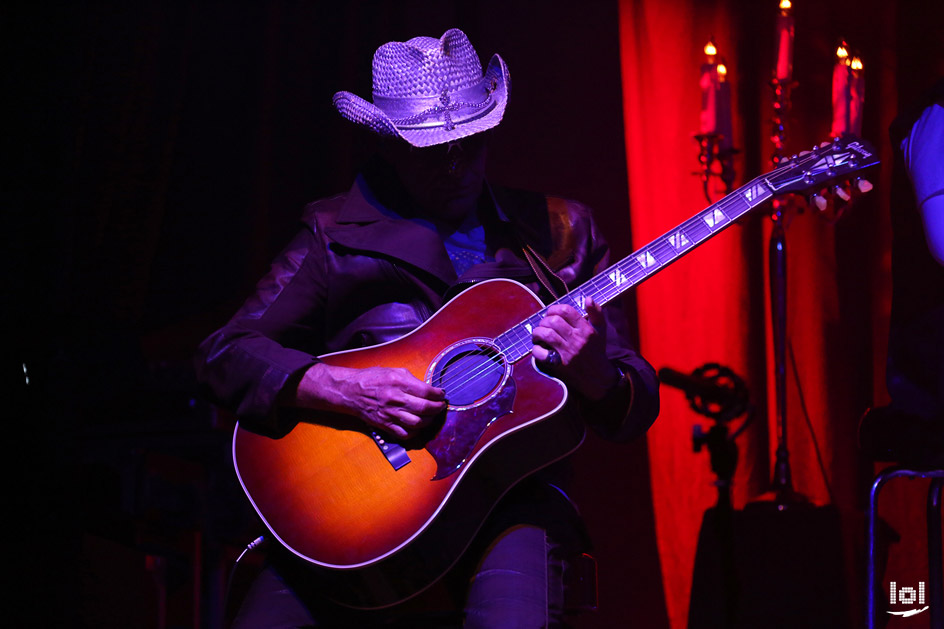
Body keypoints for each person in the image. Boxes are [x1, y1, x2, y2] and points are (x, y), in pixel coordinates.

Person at [195, 28, 659, 627]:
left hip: (508, 500)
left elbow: (634, 399)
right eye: (430, 150)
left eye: (469, 143)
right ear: (390, 147)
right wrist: (343, 389)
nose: (455, 165)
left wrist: (598, 375)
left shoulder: (560, 233)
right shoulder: (333, 231)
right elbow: (224, 353)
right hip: (349, 506)